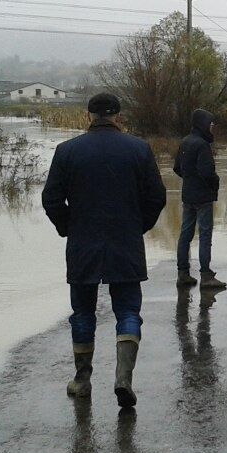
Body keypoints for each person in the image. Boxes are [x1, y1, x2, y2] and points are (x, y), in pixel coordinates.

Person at [42, 93, 167, 408]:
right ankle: (123, 379)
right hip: (126, 242)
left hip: (82, 244)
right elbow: (157, 197)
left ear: (89, 116)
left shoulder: (67, 151)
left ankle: (82, 380)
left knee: (83, 313)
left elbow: (51, 199)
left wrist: (68, 227)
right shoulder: (139, 149)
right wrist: (138, 226)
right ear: (118, 117)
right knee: (128, 312)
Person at [173, 108, 226, 290]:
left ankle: (183, 274)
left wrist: (189, 179)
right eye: (211, 124)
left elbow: (177, 168)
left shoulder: (185, 141)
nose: (212, 128)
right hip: (203, 196)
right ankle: (206, 276)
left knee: (185, 234)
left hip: (188, 195)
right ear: (203, 124)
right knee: (205, 235)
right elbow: (207, 172)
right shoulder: (202, 145)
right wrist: (214, 184)